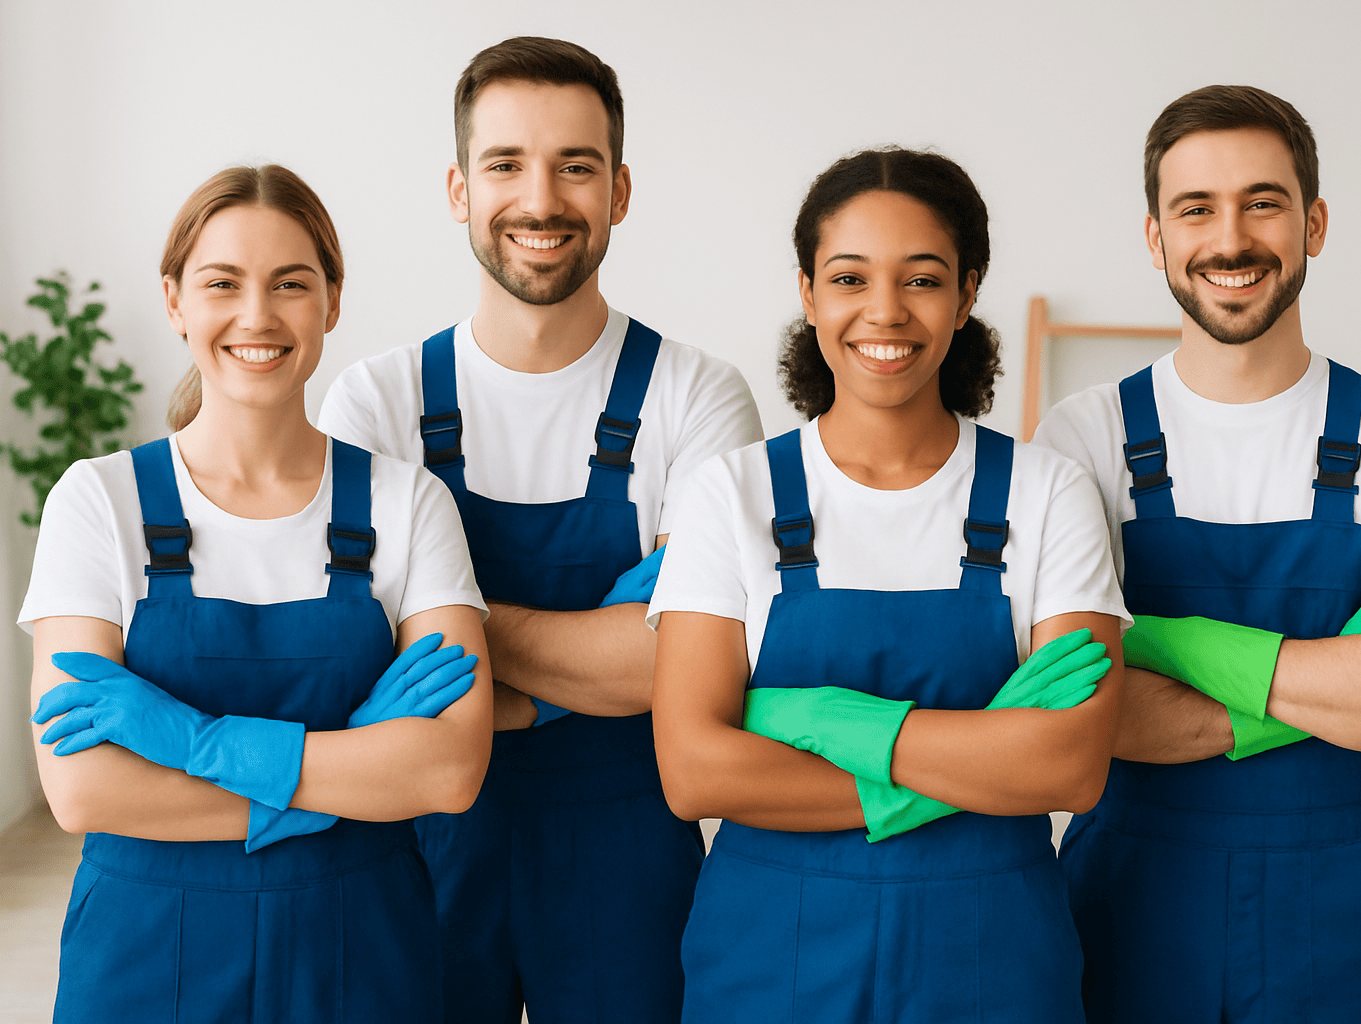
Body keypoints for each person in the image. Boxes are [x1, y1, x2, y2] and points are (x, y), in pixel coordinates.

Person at [317, 36, 763, 1024]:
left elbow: (683, 668)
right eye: (507, 164)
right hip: (418, 838)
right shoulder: (375, 401)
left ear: (620, 189)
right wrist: (602, 641)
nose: (541, 199)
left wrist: (450, 632)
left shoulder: (696, 398)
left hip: (628, 853)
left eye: (576, 165)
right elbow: (348, 656)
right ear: (458, 188)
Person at [1033, 85, 1361, 1023]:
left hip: (1343, 907)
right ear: (1156, 238)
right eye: (1195, 208)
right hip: (1130, 893)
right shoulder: (1080, 437)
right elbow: (1079, 713)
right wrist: (1347, 676)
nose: (1230, 238)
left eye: (1264, 202)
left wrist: (1160, 640)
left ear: (1314, 223)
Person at [648, 147, 1129, 1024]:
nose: (884, 311)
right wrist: (982, 756)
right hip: (772, 954)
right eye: (849, 277)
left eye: (922, 279)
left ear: (967, 292)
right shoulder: (733, 494)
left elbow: (1070, 763)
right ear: (808, 294)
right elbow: (692, 769)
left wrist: (833, 725)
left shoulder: (1047, 492)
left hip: (993, 953)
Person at [20, 164, 494, 1023]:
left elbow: (451, 766)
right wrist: (349, 764)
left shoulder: (406, 503)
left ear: (332, 301)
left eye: (290, 284)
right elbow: (85, 788)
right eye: (222, 284)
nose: (257, 316)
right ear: (174, 301)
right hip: (145, 961)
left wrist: (193, 741)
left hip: (363, 954)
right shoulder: (98, 502)